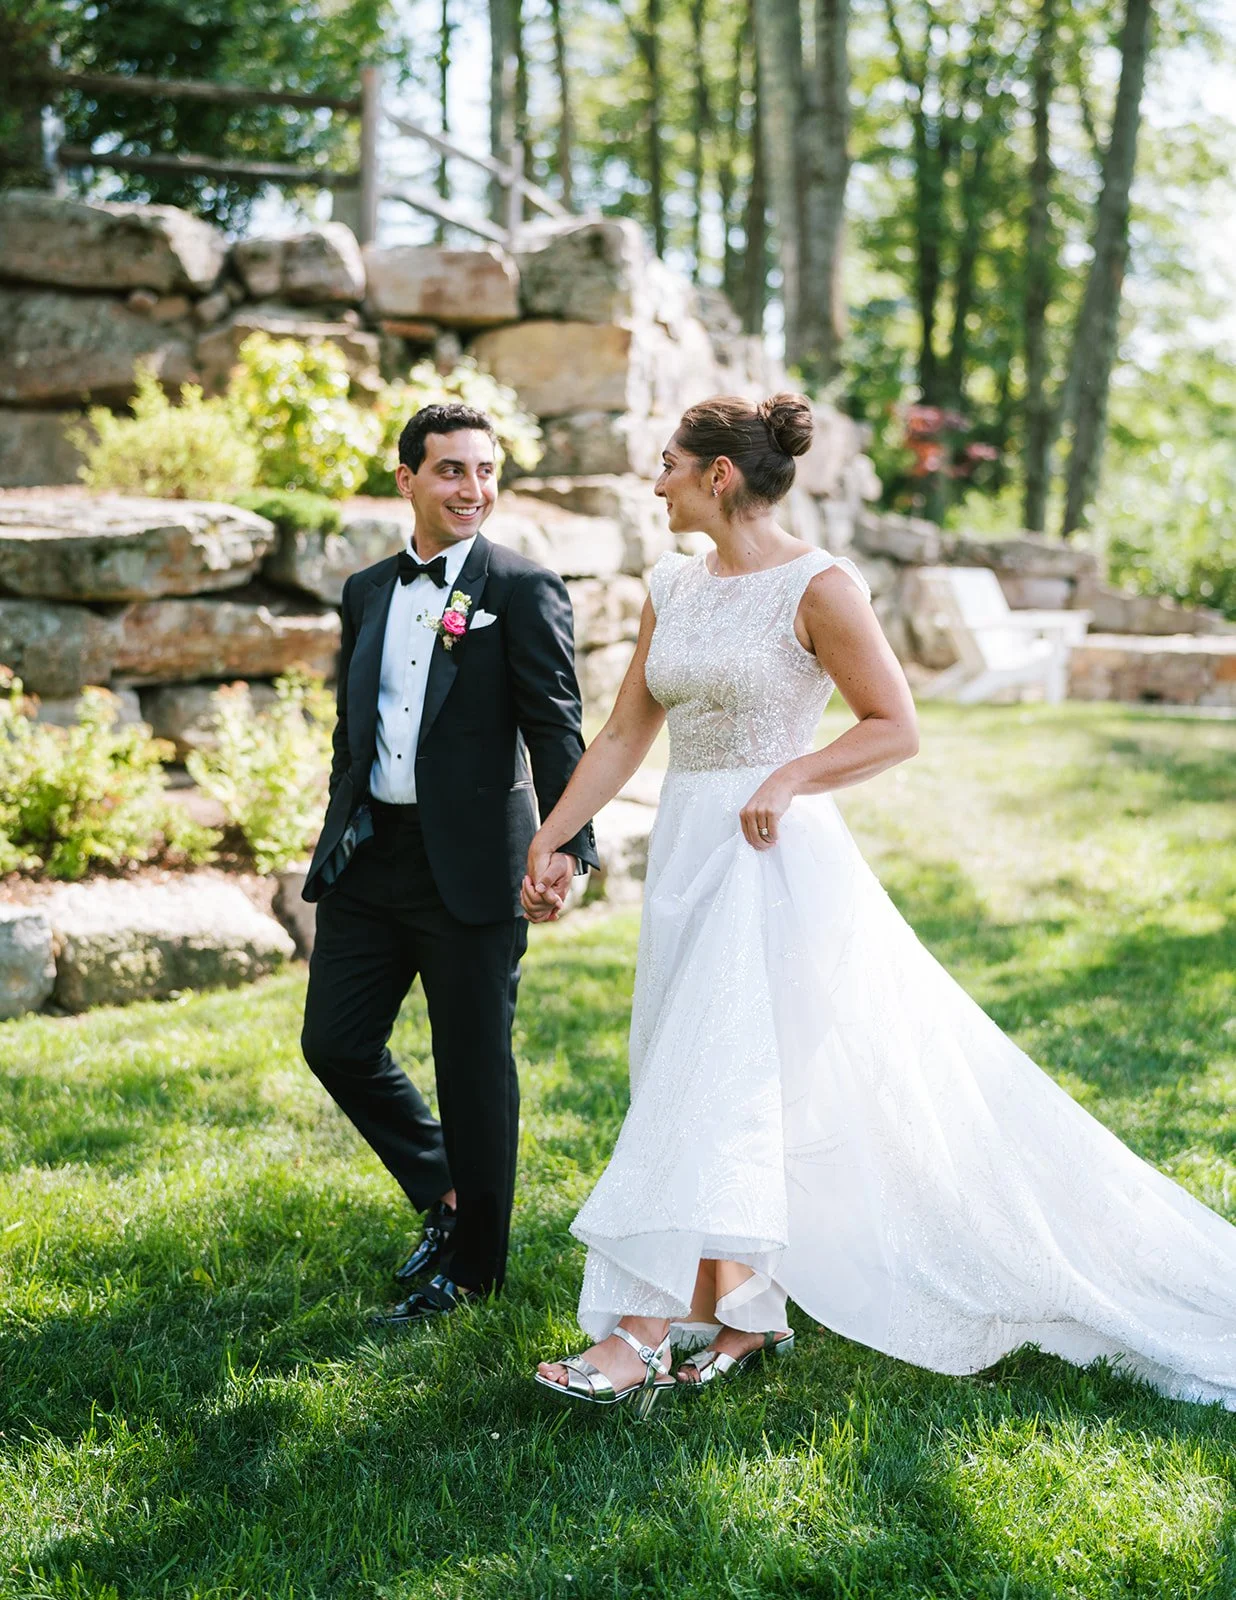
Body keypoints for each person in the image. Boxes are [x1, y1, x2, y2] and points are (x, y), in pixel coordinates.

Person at [523, 392, 1236, 1416]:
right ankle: (745, 1308)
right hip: (687, 851)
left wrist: (789, 777)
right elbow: (627, 736)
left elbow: (893, 725)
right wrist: (553, 835)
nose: (657, 479)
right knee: (692, 1064)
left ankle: (636, 1329)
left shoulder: (820, 585)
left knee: (707, 1074)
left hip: (770, 856)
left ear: (719, 475)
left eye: (671, 462)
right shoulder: (670, 587)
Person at [300, 402, 598, 1326]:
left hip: (473, 868)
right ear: (407, 479)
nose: (472, 490)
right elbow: (361, 725)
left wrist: (568, 845)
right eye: (450, 471)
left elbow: (555, 725)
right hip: (371, 862)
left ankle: (476, 1272)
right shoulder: (365, 592)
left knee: (473, 1068)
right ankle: (447, 1189)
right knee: (335, 1042)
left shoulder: (523, 587)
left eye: (484, 471)